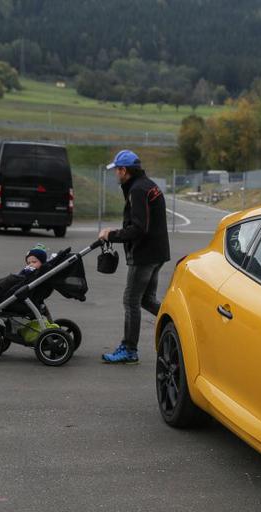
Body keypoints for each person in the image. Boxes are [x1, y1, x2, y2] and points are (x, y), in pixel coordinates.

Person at [98, 149, 170, 364]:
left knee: (131, 301)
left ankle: (129, 349)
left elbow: (139, 228)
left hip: (145, 255)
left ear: (124, 170)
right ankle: (182, 325)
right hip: (157, 252)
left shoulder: (138, 190)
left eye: (116, 170)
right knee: (147, 300)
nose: (115, 174)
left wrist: (112, 235)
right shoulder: (147, 185)